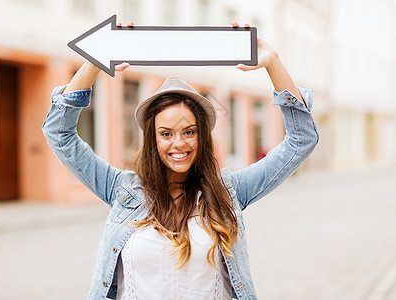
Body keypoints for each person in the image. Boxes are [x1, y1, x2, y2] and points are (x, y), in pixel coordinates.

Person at [42, 21, 319, 300]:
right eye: (166, 133)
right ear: (153, 138)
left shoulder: (228, 191)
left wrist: (273, 64)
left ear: (202, 136)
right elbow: (59, 133)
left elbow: (300, 141)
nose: (179, 144)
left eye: (189, 132)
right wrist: (94, 61)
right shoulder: (121, 190)